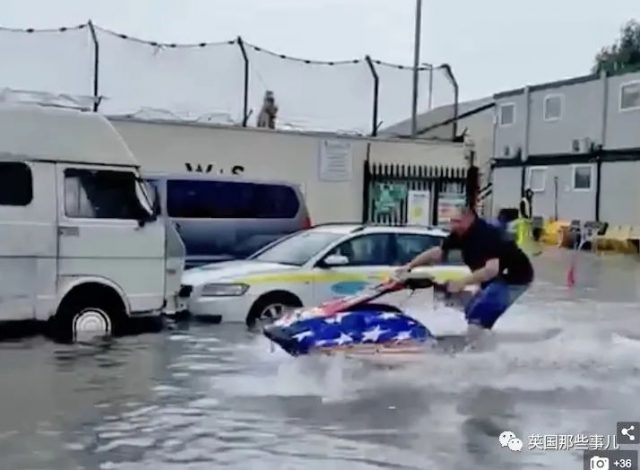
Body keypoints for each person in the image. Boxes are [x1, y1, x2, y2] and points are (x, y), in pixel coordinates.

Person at [396, 206, 534, 336]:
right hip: (493, 279)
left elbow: (491, 270)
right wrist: (410, 265)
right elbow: (438, 253)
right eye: (451, 221)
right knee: (471, 310)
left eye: (457, 221)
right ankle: (480, 337)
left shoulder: (488, 234)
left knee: (479, 315)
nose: (453, 225)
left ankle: (479, 350)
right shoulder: (459, 234)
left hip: (513, 278)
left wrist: (461, 283)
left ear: (470, 218)